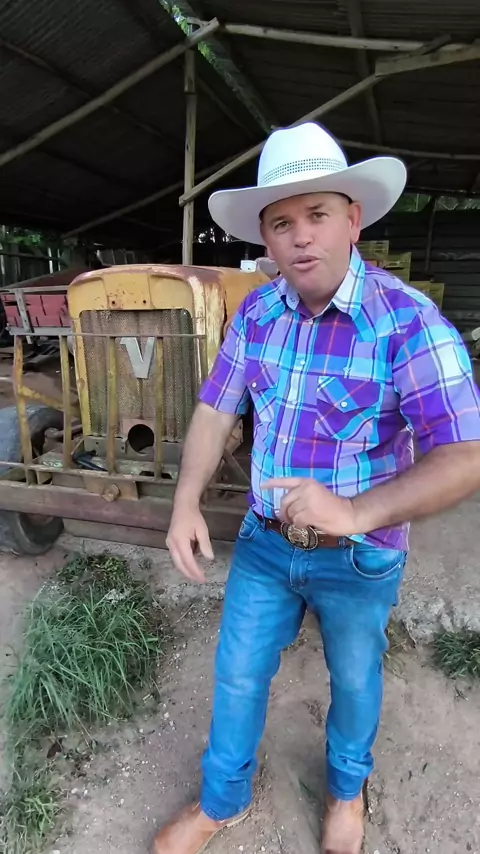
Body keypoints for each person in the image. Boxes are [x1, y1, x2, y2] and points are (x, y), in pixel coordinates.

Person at [152, 122, 480, 854]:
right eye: (281, 222)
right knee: (238, 676)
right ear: (265, 240)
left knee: (355, 681)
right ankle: (221, 801)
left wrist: (356, 510)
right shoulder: (257, 313)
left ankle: (345, 791)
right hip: (266, 544)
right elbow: (215, 409)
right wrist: (185, 502)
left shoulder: (406, 323)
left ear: (353, 220)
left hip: (360, 556)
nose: (301, 236)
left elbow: (465, 454)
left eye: (318, 214)